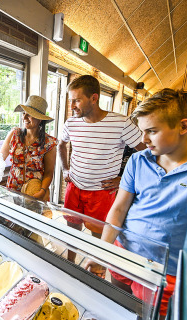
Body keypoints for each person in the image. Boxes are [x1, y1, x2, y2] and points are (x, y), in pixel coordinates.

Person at [86, 88, 187, 318]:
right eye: (143, 131)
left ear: (183, 126)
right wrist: (102, 251)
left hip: (166, 273)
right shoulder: (138, 160)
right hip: (124, 254)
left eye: (151, 131)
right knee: (118, 307)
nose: (143, 140)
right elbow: (119, 209)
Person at [58, 75, 145, 255]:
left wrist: (124, 180)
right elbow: (61, 144)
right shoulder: (71, 123)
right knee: (71, 230)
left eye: (77, 100)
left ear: (94, 98)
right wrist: (65, 168)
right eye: (70, 101)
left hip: (101, 192)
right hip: (74, 187)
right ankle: (70, 263)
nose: (72, 106)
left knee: (98, 238)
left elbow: (146, 153)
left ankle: (95, 269)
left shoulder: (121, 123)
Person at [0, 95, 58, 201]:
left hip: (35, 191)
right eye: (23, 113)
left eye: (29, 114)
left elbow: (49, 172)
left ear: (40, 119)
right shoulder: (14, 134)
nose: (24, 118)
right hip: (13, 188)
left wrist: (42, 191)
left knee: (32, 216)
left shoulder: (49, 143)